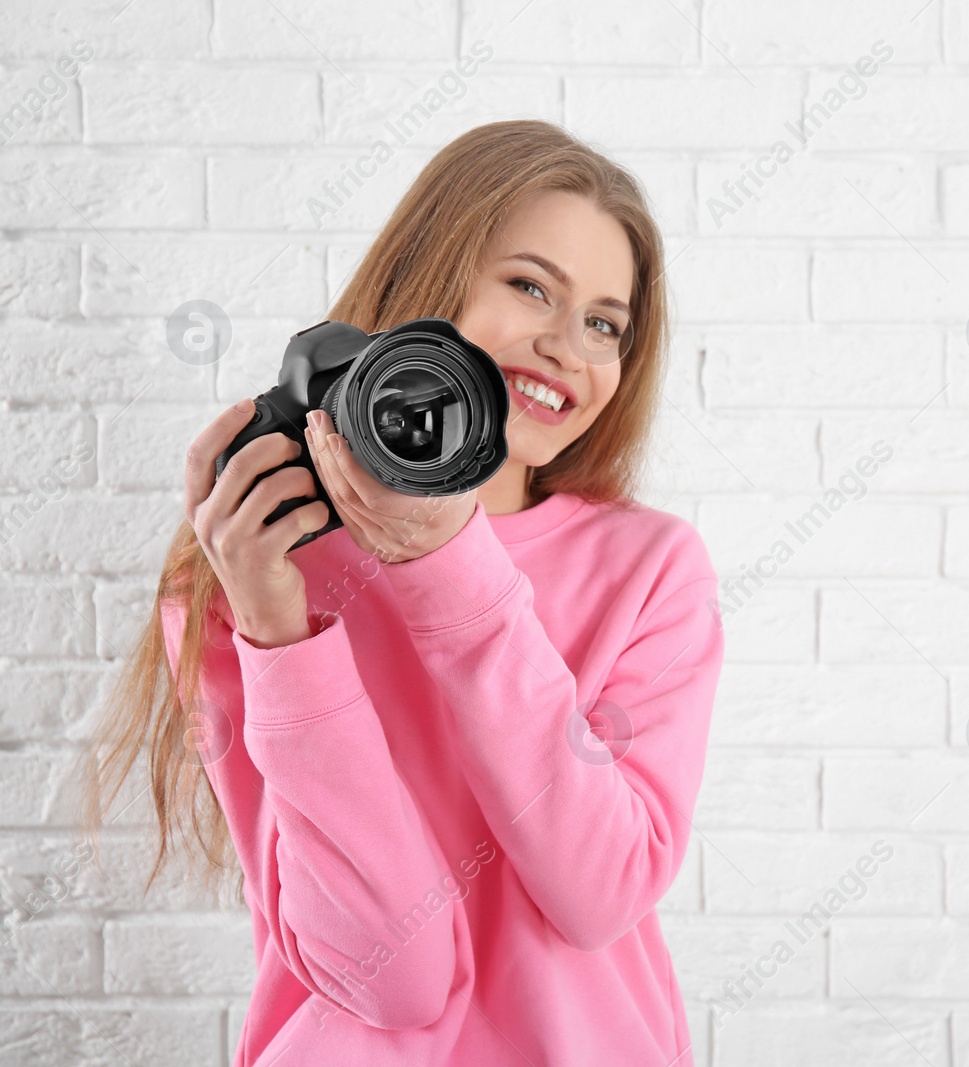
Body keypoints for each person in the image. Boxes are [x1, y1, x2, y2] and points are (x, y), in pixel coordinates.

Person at [80, 120, 724, 1066]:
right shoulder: (260, 569)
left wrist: (449, 567)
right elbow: (393, 975)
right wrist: (274, 628)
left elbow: (600, 892)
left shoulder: (652, 570)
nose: (565, 346)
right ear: (430, 282)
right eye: (529, 286)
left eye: (604, 323)